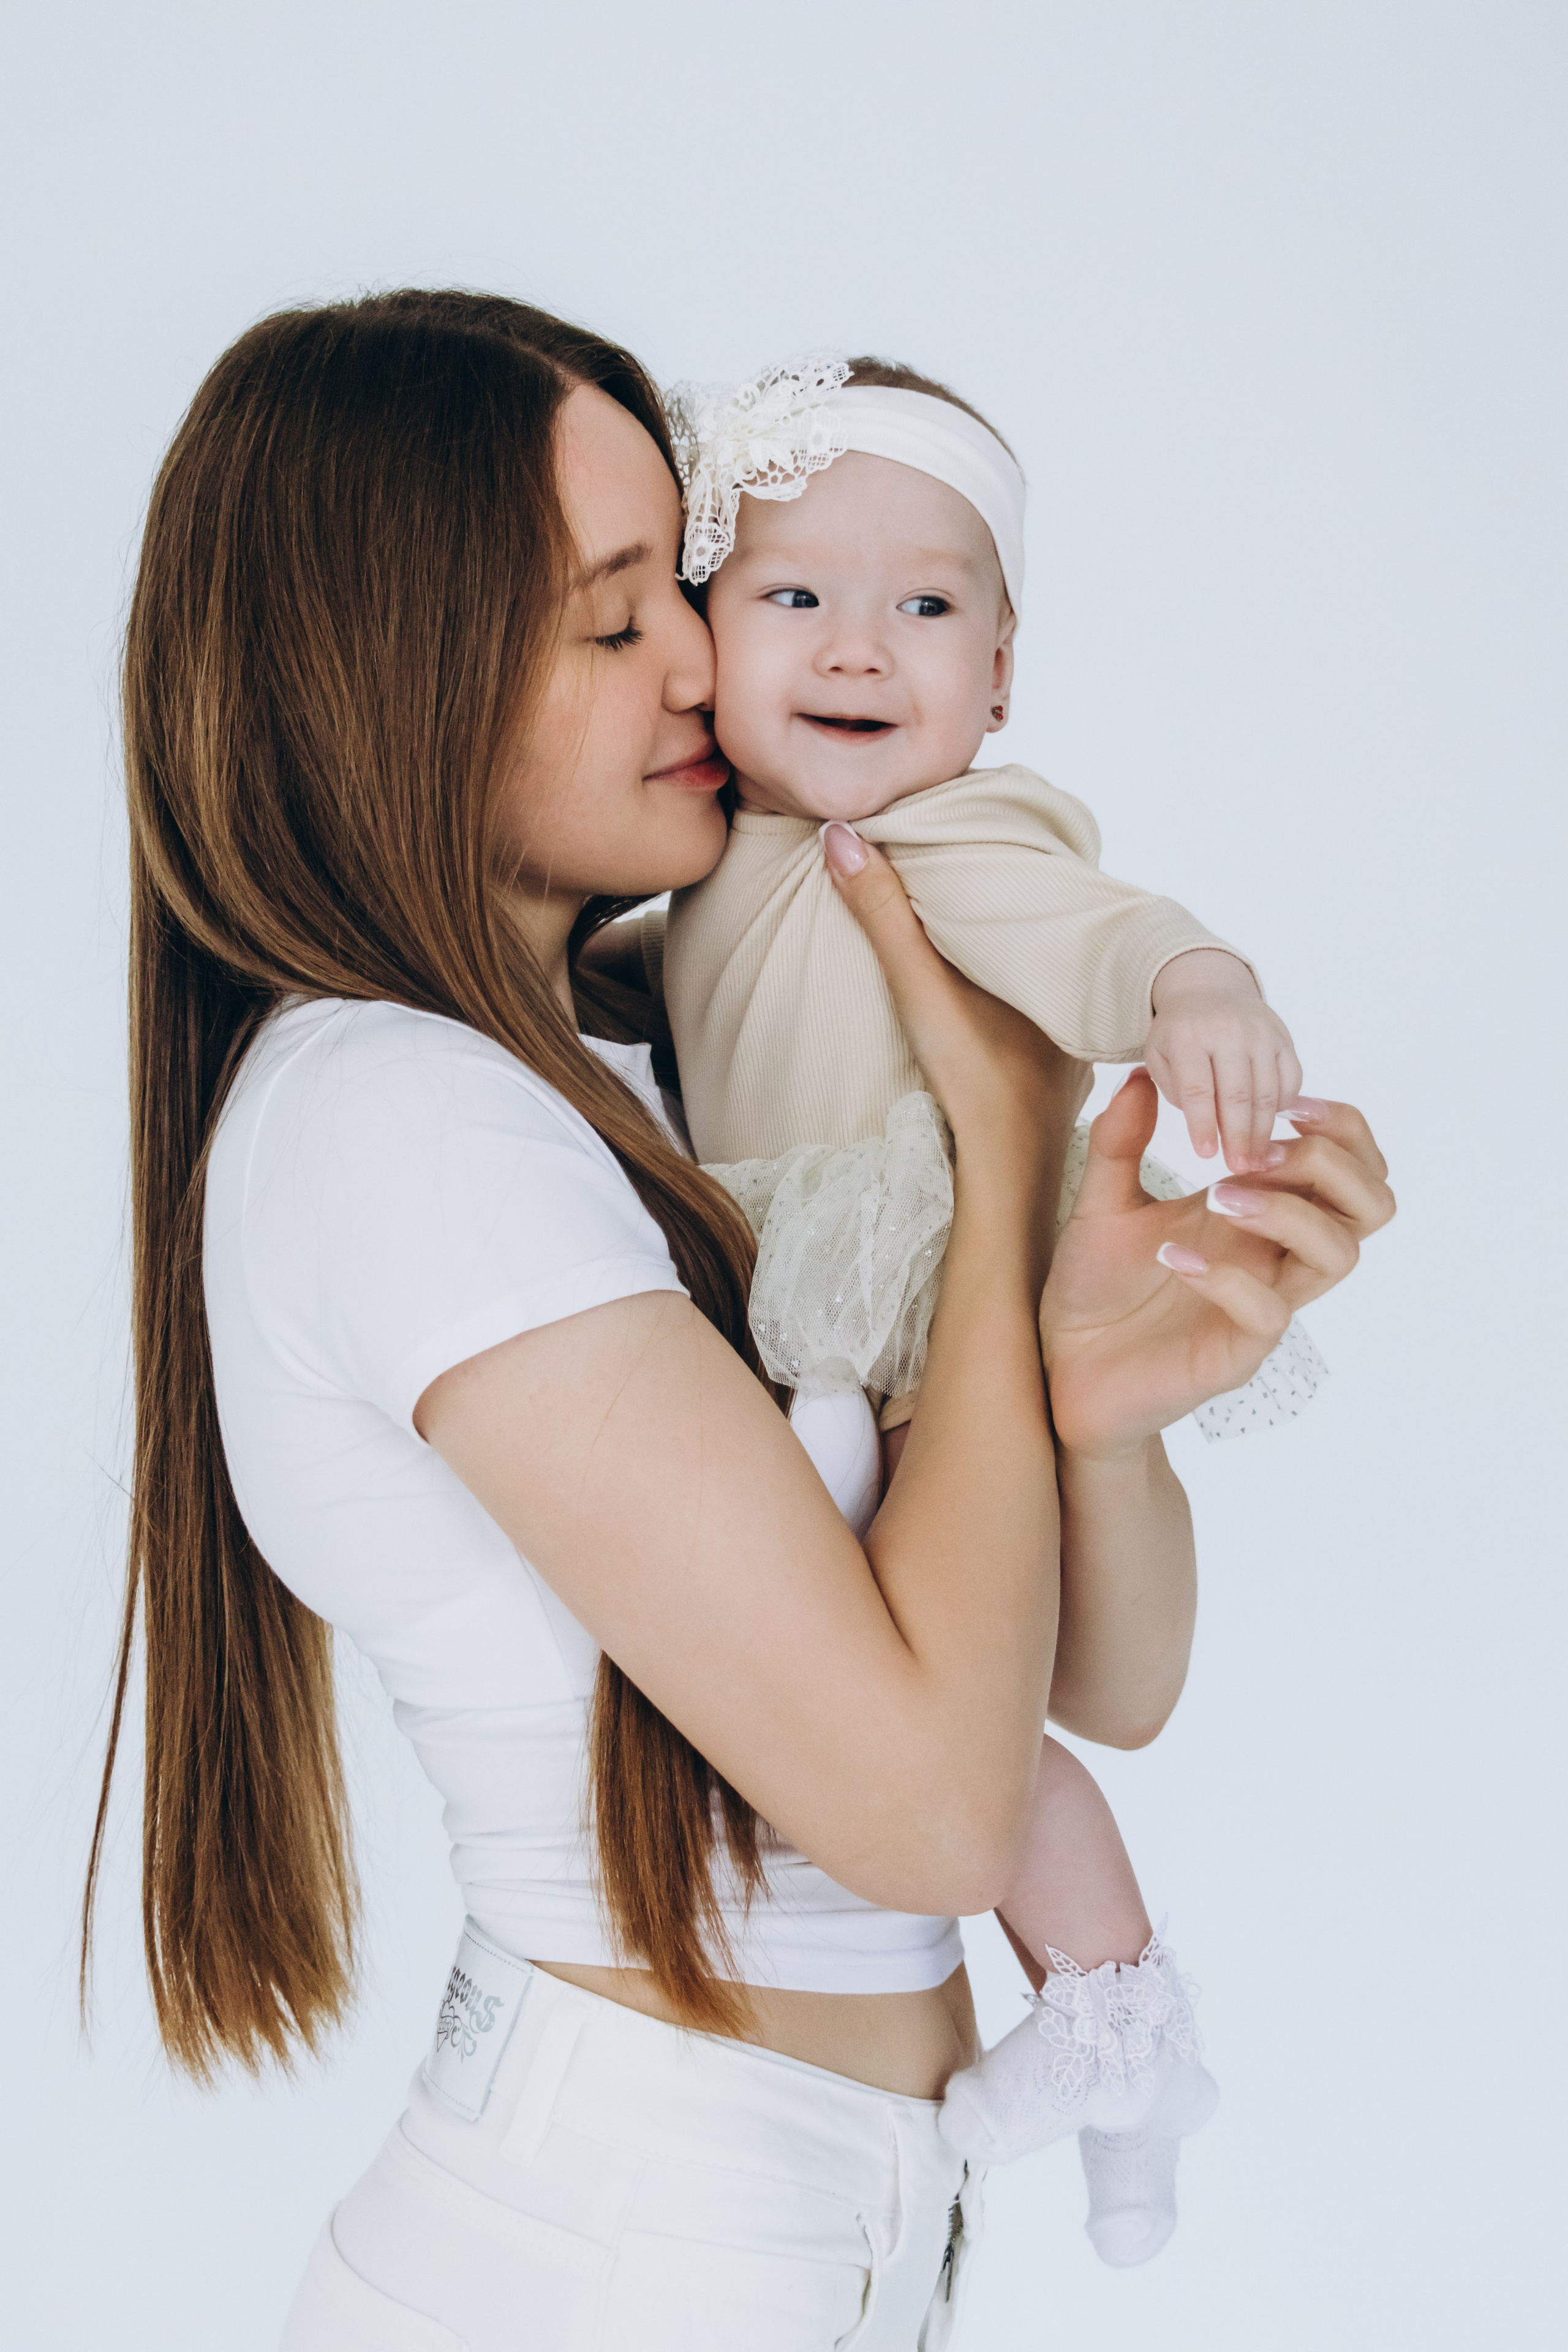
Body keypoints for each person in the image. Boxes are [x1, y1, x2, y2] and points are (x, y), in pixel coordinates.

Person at [83, 289, 1392, 2349]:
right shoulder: (399, 1117)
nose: (709, 660)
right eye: (618, 622)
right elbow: (940, 1817)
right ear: (387, 679)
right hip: (621, 2255)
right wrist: (1000, 1141)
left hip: (770, 2241)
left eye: (683, 590)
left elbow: (1107, 1692)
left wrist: (1086, 1391)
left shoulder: (641, 1084)